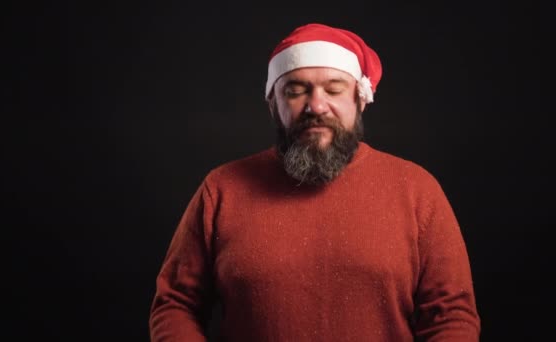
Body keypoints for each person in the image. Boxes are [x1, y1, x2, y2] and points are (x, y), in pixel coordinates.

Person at [149, 23, 481, 341]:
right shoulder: (221, 190)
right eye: (296, 90)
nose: (316, 106)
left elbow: (452, 317)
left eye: (334, 89)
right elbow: (176, 305)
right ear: (273, 104)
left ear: (360, 98)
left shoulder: (416, 190)